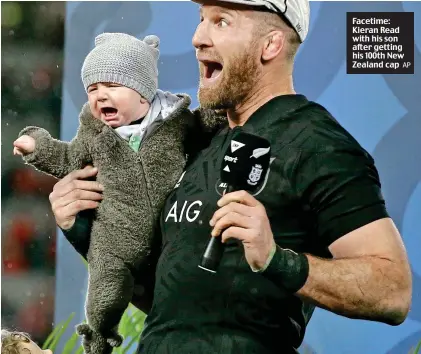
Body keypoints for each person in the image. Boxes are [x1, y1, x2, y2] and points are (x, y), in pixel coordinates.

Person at [48, 0, 413, 353]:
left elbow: (393, 291)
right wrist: (83, 229)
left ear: (270, 45)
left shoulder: (315, 141)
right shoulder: (200, 141)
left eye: (221, 21)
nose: (198, 37)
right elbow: (174, 303)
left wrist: (275, 258)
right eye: (201, 18)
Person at [12, 32, 224, 353]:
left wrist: (221, 114)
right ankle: (98, 342)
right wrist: (36, 146)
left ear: (143, 92)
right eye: (93, 90)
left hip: (175, 228)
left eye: (112, 86)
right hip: (116, 238)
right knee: (103, 298)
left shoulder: (177, 122)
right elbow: (68, 158)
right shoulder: (94, 134)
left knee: (190, 278)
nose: (100, 96)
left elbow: (208, 125)